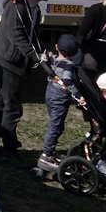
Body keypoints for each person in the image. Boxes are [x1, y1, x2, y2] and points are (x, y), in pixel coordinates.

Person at [0, 0, 48, 167]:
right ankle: (9, 152)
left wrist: (40, 52)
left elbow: (32, 36)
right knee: (12, 108)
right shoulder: (16, 6)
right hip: (6, 61)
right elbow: (16, 35)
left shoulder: (35, 9)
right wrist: (34, 56)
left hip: (14, 62)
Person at [39, 33, 85, 167]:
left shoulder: (53, 58)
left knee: (56, 124)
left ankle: (51, 151)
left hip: (50, 93)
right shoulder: (68, 65)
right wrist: (78, 96)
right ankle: (47, 154)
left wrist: (47, 54)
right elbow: (67, 82)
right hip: (59, 97)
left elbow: (48, 55)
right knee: (55, 126)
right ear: (75, 53)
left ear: (57, 47)